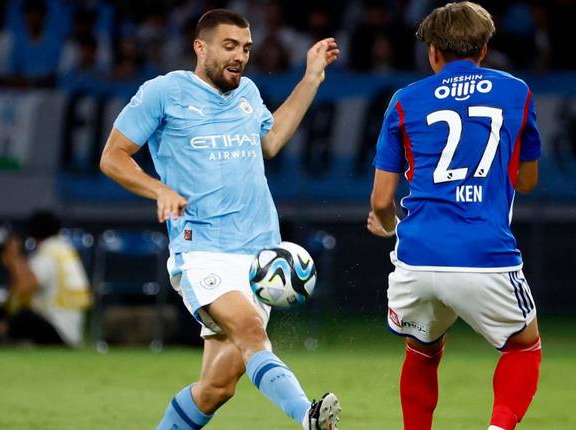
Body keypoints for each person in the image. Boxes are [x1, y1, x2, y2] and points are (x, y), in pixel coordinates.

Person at [99, 9, 341, 430]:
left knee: (217, 388)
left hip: (260, 256)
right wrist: (159, 190)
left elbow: (271, 141)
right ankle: (308, 415)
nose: (240, 56)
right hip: (205, 252)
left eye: (245, 48)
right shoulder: (164, 92)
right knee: (251, 332)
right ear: (201, 47)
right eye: (229, 46)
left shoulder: (247, 91)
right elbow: (112, 156)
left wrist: (311, 78)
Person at [366, 3, 542, 430]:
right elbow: (527, 180)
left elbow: (381, 201)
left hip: (417, 256)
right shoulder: (516, 92)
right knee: (523, 347)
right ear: (483, 50)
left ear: (432, 53)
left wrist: (388, 227)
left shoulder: (405, 101)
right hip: (484, 252)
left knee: (422, 351)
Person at [0, 210, 92, 347]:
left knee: (23, 317)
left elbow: (24, 287)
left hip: (57, 331)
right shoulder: (65, 251)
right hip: (71, 331)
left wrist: (13, 257)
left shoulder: (47, 255)